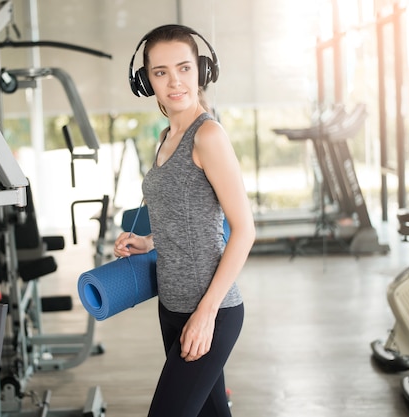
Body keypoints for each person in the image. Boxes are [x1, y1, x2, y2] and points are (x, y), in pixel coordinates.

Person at [114, 24, 256, 417]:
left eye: (184, 68)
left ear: (202, 71)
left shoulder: (208, 136)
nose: (174, 81)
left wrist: (206, 315)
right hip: (172, 306)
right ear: (146, 82)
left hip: (211, 311)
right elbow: (185, 217)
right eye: (160, 72)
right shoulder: (166, 136)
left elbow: (244, 230)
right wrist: (147, 242)